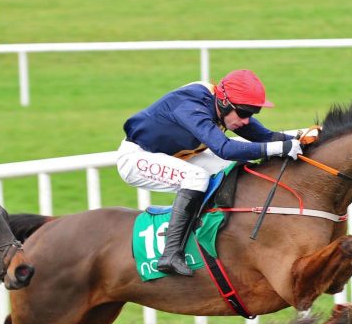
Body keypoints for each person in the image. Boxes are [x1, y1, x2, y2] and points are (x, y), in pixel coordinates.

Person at [117, 69, 302, 276]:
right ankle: (170, 254)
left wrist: (304, 139)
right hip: (137, 158)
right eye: (244, 113)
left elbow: (266, 137)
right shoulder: (191, 106)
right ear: (224, 103)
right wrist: (279, 148)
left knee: (234, 167)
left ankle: (222, 231)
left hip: (179, 156)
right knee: (196, 178)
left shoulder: (223, 107)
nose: (246, 120)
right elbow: (225, 148)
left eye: (252, 114)